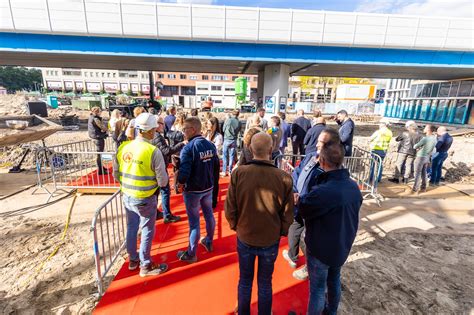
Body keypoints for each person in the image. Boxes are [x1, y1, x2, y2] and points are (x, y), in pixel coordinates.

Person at [225, 132, 294, 315]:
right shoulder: (284, 177)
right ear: (271, 150)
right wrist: (281, 231)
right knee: (265, 282)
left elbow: (230, 207)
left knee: (245, 280)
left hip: (245, 236)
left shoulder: (239, 173)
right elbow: (288, 213)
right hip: (269, 239)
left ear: (250, 149)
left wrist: (236, 226)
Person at [297, 143, 363, 315]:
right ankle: (331, 312)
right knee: (334, 281)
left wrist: (299, 200)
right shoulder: (353, 186)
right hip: (342, 246)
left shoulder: (324, 191)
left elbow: (304, 210)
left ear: (323, 161)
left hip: (321, 249)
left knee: (318, 289)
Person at [113, 112, 169, 277]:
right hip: (145, 197)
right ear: (151, 130)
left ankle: (133, 259)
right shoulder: (153, 151)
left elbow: (116, 173)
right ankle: (146, 265)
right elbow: (163, 181)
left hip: (127, 196)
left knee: (131, 226)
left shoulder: (123, 147)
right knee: (146, 229)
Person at [286, 128, 340, 281]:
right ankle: (292, 255)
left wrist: (305, 200)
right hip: (299, 205)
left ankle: (309, 268)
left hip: (313, 210)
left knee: (311, 240)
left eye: (321, 143)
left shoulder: (330, 168)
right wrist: (294, 191)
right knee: (294, 228)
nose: (316, 145)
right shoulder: (310, 156)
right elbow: (297, 173)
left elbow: (324, 192)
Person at [177, 117, 220, 263]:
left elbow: (184, 173)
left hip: (193, 190)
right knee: (209, 215)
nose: (183, 133)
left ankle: (191, 253)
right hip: (208, 187)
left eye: (185, 129)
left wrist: (180, 183)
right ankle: (209, 240)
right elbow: (216, 167)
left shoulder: (188, 149)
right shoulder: (210, 145)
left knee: (194, 222)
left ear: (193, 129)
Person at [151, 116, 186, 223]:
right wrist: (181, 144)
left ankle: (157, 213)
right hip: (159, 167)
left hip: (158, 166)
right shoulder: (157, 136)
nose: (164, 125)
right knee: (165, 191)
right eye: (162, 123)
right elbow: (166, 151)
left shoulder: (156, 135)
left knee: (157, 192)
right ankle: (167, 215)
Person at [412, 124, 437, 193]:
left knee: (417, 173)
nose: (424, 128)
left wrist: (417, 146)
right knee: (424, 173)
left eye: (425, 127)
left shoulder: (425, 138)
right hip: (427, 157)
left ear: (428, 130)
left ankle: (415, 189)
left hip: (420, 157)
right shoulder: (434, 138)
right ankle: (423, 188)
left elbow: (415, 146)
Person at [368, 118, 393, 184]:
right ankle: (378, 179)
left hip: (376, 149)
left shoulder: (378, 132)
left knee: (373, 164)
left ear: (383, 124)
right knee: (380, 165)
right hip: (383, 151)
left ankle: (371, 178)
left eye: (380, 123)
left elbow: (370, 139)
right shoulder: (389, 132)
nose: (379, 124)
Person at [88, 106, 108, 174]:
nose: (101, 113)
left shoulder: (91, 117)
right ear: (97, 112)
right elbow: (102, 127)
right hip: (98, 137)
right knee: (99, 154)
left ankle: (101, 167)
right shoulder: (95, 119)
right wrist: (106, 129)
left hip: (95, 137)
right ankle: (100, 170)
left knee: (99, 154)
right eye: (100, 111)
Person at [221, 109, 242, 177]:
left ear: (232, 114)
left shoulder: (228, 120)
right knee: (231, 156)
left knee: (225, 155)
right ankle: (230, 171)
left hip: (227, 139)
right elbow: (239, 130)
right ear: (238, 114)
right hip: (234, 140)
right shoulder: (239, 122)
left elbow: (223, 129)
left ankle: (224, 171)